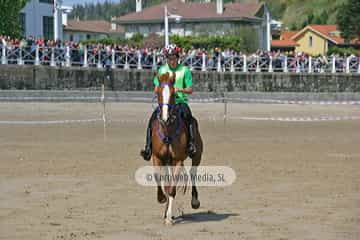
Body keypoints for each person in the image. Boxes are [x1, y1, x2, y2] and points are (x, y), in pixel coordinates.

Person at [140, 44, 197, 161]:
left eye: (174, 58)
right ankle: (148, 148)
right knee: (152, 120)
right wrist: (160, 89)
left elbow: (190, 89)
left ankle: (191, 144)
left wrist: (179, 89)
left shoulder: (184, 70)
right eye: (169, 58)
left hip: (180, 101)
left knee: (189, 118)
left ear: (177, 58)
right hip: (165, 103)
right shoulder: (162, 70)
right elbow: (156, 87)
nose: (171, 61)